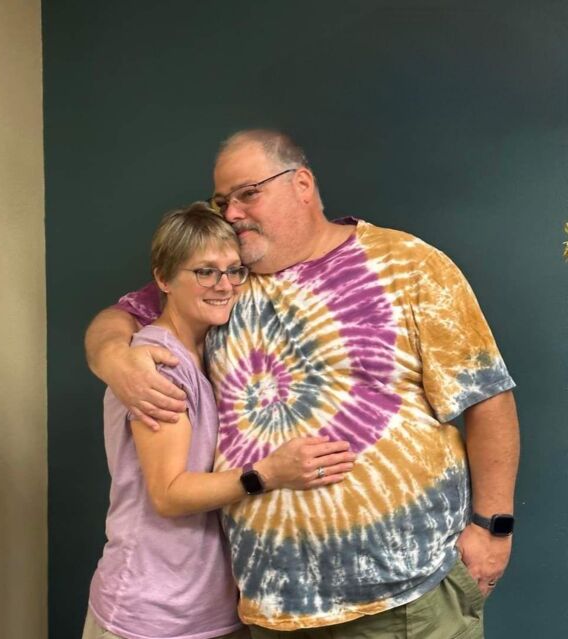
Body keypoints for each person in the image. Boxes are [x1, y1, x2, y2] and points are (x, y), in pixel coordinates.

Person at [85, 130, 520, 638]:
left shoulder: (408, 265)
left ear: (302, 184)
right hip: (272, 608)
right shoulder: (224, 280)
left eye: (249, 193)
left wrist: (494, 529)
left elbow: (487, 397)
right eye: (222, 202)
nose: (233, 213)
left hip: (406, 599)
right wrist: (112, 355)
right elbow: (123, 316)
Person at [83, 202, 356, 639]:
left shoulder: (214, 350)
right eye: (205, 272)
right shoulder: (160, 366)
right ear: (162, 279)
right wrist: (269, 474)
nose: (224, 285)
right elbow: (169, 493)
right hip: (152, 611)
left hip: (210, 607)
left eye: (234, 271)